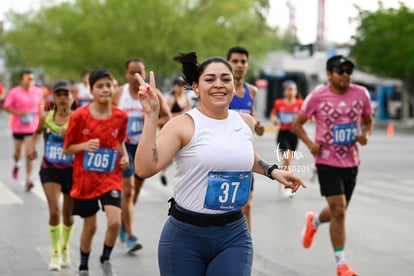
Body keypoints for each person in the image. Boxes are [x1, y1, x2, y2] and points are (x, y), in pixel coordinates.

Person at [134, 52, 306, 276]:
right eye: (210, 79)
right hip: (185, 237)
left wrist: (272, 171)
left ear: (234, 87)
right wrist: (151, 116)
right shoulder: (182, 126)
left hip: (233, 235)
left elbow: (242, 153)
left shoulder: (245, 122)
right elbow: (145, 168)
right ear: (196, 87)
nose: (219, 85)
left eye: (226, 79)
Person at [292, 55, 373, 276]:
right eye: (340, 71)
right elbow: (297, 124)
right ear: (329, 74)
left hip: (351, 162)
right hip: (326, 161)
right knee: (339, 209)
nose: (345, 75)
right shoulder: (317, 96)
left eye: (349, 71)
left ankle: (314, 221)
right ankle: (341, 264)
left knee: (340, 211)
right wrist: (310, 144)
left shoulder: (361, 94)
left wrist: (365, 135)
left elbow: (368, 121)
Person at [63, 69, 129, 276]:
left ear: (113, 87)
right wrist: (84, 146)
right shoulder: (79, 116)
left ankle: (105, 258)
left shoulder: (121, 116)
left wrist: (124, 155)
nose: (105, 89)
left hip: (110, 177)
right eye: (99, 86)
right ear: (91, 90)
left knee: (115, 222)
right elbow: (67, 148)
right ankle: (83, 265)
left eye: (108, 85)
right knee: (90, 227)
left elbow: (119, 140)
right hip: (85, 179)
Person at [111, 57, 172, 253]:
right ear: (126, 74)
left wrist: (151, 118)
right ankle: (130, 236)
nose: (136, 76)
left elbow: (167, 117)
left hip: (144, 148)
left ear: (145, 74)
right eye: (132, 72)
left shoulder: (154, 94)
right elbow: (109, 118)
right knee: (127, 190)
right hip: (125, 147)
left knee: (133, 193)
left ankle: (123, 220)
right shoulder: (119, 94)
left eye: (140, 72)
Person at [29, 80, 75, 271]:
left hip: (72, 171)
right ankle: (55, 252)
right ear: (54, 97)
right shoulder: (47, 117)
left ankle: (65, 247)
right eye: (59, 95)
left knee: (68, 215)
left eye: (66, 94)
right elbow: (37, 133)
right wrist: (32, 148)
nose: (63, 98)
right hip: (50, 170)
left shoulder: (78, 118)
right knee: (55, 211)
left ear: (72, 97)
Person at [226, 46, 264, 232]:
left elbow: (253, 118)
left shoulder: (252, 91)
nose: (239, 65)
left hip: (245, 156)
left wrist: (258, 126)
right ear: (228, 63)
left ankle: (245, 246)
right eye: (235, 61)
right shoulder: (221, 90)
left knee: (246, 205)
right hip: (222, 156)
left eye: (243, 61)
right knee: (224, 209)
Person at [3, 69, 44, 191]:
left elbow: (41, 107)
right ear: (22, 80)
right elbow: (6, 107)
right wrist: (19, 113)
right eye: (27, 79)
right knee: (18, 153)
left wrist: (44, 121)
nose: (30, 81)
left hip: (33, 128)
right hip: (18, 127)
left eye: (32, 79)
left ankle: (28, 179)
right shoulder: (14, 92)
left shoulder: (38, 92)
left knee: (29, 153)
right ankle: (17, 164)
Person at [269, 80, 303, 198]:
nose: (291, 92)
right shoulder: (279, 103)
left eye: (293, 89)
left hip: (294, 134)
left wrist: (299, 120)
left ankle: (283, 176)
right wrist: (274, 119)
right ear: (284, 91)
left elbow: (306, 116)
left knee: (288, 162)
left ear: (296, 91)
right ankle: (287, 184)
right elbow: (273, 114)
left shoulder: (300, 103)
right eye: (288, 89)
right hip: (283, 134)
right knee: (287, 159)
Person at [159, 77, 192, 186]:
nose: (181, 87)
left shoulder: (186, 99)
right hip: (172, 130)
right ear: (174, 86)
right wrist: (181, 113)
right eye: (178, 85)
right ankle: (162, 172)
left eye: (183, 85)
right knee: (172, 156)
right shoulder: (172, 99)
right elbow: (166, 116)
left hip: (184, 131)